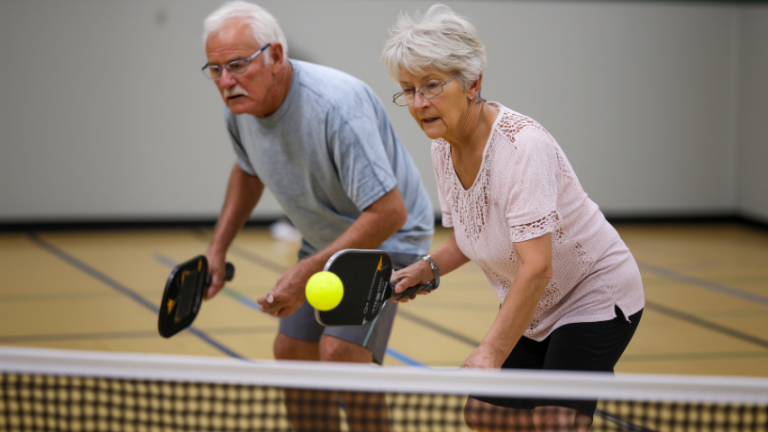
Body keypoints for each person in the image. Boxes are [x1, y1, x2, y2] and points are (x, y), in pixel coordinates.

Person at [381, 4, 645, 432]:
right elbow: (471, 236)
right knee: (484, 413)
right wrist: (427, 268)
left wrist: (490, 351)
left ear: (472, 83)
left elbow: (537, 266)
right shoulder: (442, 147)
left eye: (431, 85)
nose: (419, 103)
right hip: (537, 304)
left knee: (555, 420)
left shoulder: (523, 147)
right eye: (408, 89)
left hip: (593, 294)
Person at [200, 2, 433, 430]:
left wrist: (306, 272)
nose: (226, 82)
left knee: (341, 355)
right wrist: (217, 249)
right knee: (291, 353)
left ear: (275, 56)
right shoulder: (242, 109)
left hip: (388, 239)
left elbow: (389, 212)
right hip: (326, 238)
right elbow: (248, 171)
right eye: (215, 70)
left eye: (236, 65)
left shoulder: (336, 106)